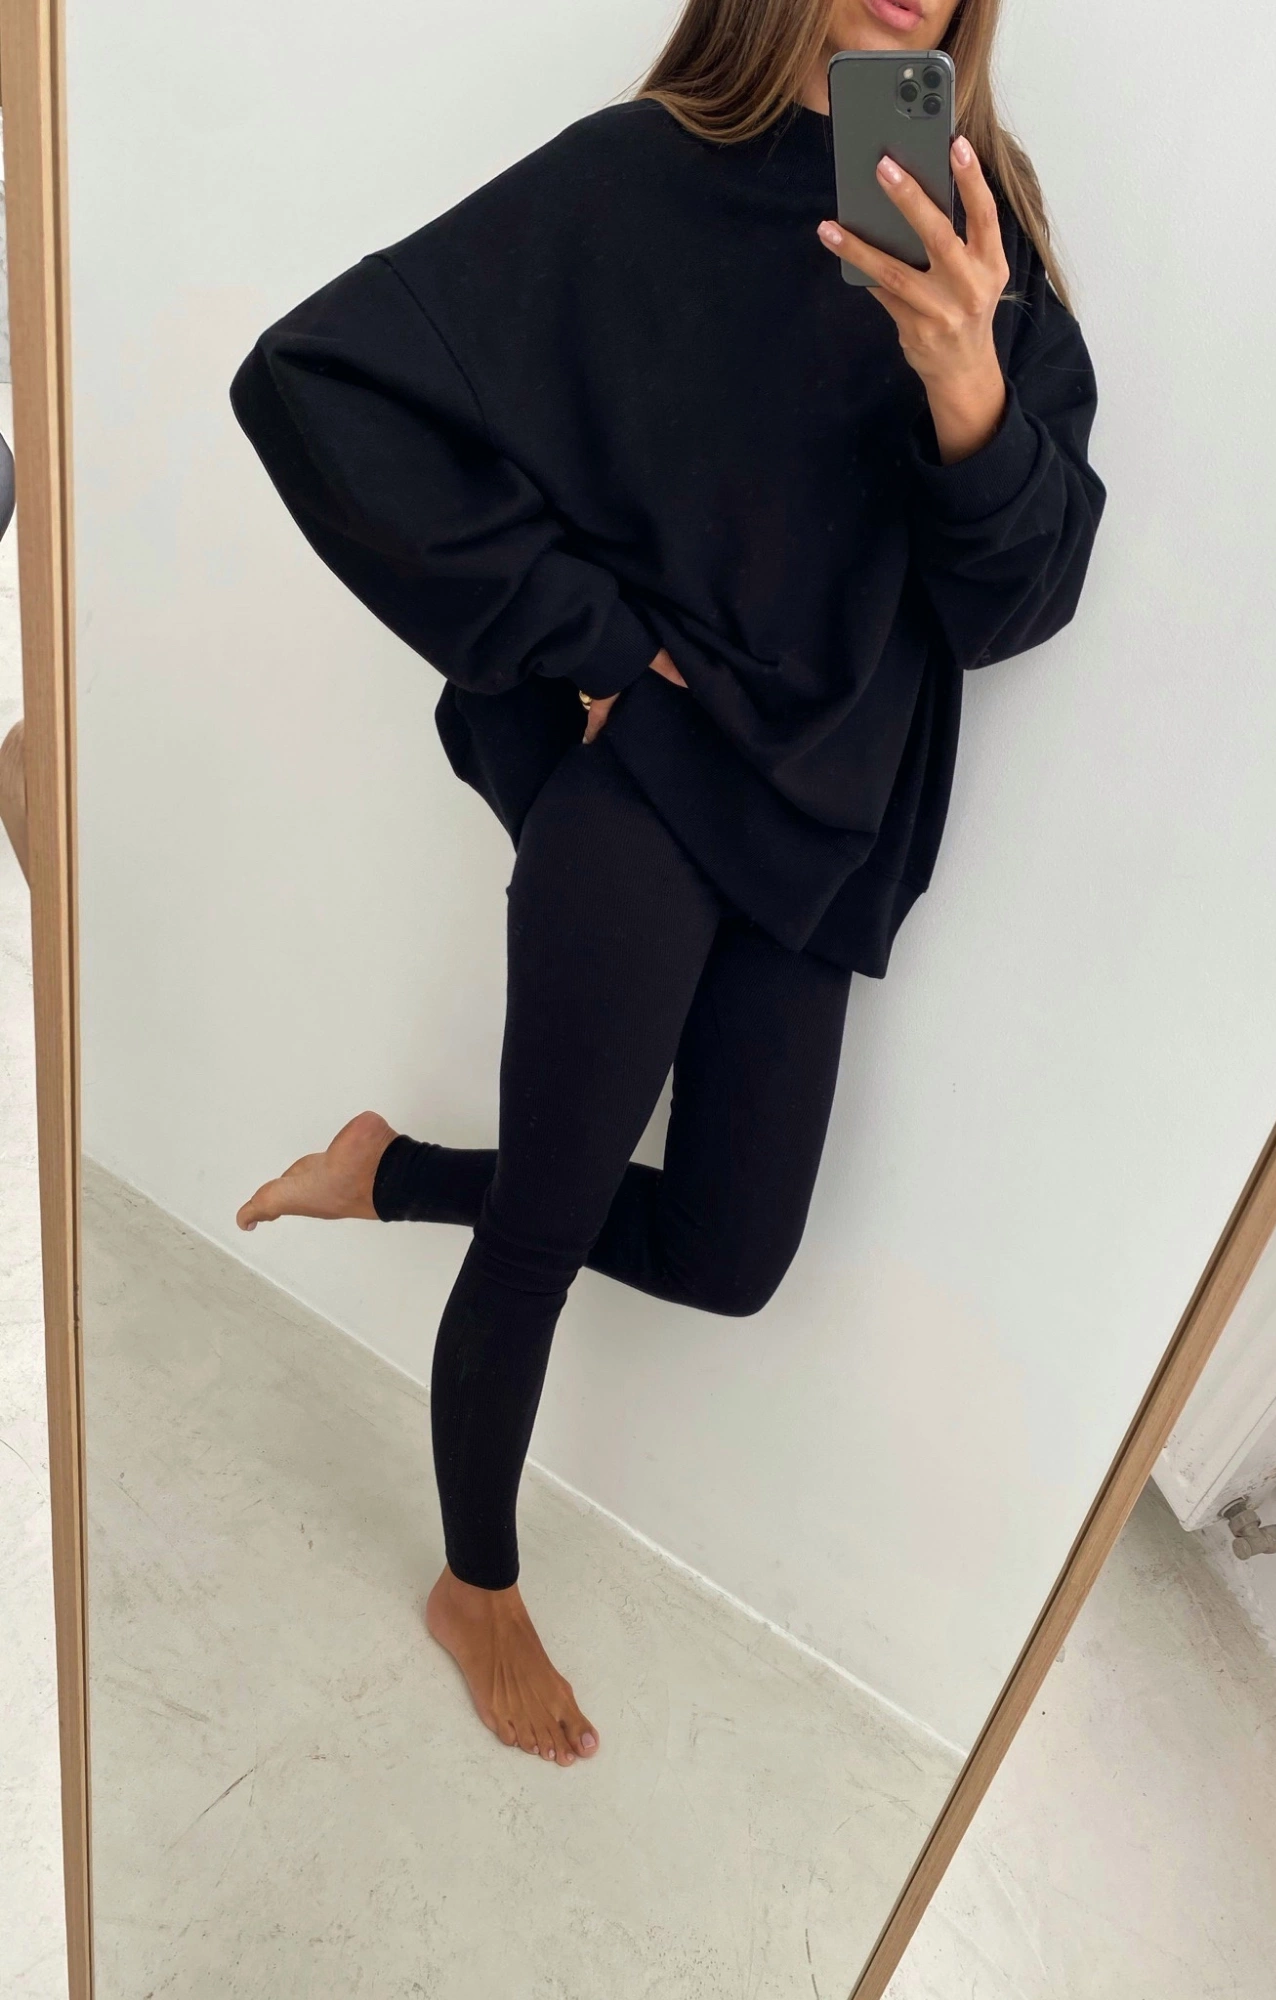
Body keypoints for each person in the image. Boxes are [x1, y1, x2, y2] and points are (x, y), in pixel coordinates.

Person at [229, 0, 1105, 1769]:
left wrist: (967, 381)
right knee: (543, 1241)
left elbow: (1012, 606)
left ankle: (387, 1173)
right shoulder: (647, 174)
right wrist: (596, 640)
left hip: (823, 826)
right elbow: (311, 385)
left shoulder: (982, 224)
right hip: (640, 787)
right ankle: (476, 1586)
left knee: (729, 1256)